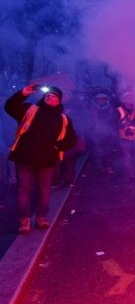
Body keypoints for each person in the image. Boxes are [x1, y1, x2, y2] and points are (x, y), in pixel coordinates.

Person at [5, 84, 77, 234]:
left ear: (59, 101)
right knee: (24, 190)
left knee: (45, 191)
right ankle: (24, 220)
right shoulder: (29, 109)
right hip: (25, 158)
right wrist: (22, 94)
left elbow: (72, 139)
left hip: (47, 160)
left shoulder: (63, 119)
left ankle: (41, 217)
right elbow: (10, 107)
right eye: (47, 95)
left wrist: (58, 146)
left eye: (53, 96)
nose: (49, 97)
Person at [117, 92, 135, 182]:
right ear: (123, 99)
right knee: (127, 158)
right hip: (124, 139)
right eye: (126, 98)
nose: (129, 99)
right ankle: (130, 175)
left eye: (131, 97)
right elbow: (113, 122)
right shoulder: (119, 109)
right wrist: (123, 126)